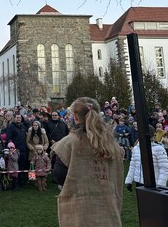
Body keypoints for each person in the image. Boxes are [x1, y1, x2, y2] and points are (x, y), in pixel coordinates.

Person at [52, 97, 124, 227]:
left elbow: (59, 177)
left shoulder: (68, 144)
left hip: (79, 214)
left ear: (75, 117)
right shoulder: (113, 146)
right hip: (109, 212)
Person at [125, 125, 168, 189]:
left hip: (153, 184)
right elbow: (133, 165)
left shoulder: (159, 149)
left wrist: (160, 185)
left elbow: (164, 169)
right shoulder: (136, 148)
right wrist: (129, 181)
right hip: (139, 183)